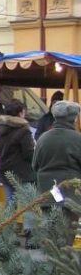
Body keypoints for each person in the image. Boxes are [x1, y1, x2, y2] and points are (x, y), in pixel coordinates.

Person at [33, 101, 81, 239]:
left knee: (50, 230)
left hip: (47, 191)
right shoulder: (77, 139)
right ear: (73, 118)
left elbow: (35, 165)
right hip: (71, 193)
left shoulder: (43, 138)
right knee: (68, 233)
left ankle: (50, 257)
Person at [0, 99, 37, 235]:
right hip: (23, 172)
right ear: (20, 113)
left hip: (6, 171)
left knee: (10, 203)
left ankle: (8, 234)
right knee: (28, 204)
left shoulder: (0, 129)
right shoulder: (24, 130)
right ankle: (30, 235)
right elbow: (29, 154)